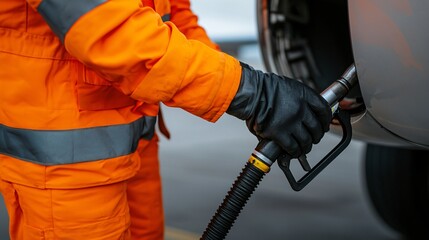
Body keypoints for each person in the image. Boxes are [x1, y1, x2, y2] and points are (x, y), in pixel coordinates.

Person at [0, 0, 331, 239]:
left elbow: (175, 18)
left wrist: (247, 84)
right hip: (63, 172)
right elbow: (110, 31)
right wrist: (251, 93)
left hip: (132, 150)